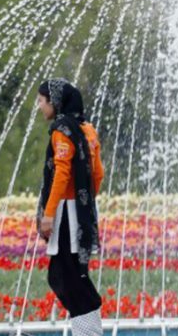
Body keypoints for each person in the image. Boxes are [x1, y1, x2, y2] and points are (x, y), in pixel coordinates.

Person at [36, 78, 105, 335]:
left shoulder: (61, 131)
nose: (40, 107)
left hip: (65, 212)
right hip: (79, 212)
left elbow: (62, 174)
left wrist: (49, 214)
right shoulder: (87, 129)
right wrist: (85, 204)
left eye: (42, 101)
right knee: (70, 273)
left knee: (66, 276)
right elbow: (98, 173)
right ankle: (88, 329)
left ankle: (88, 331)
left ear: (55, 102)